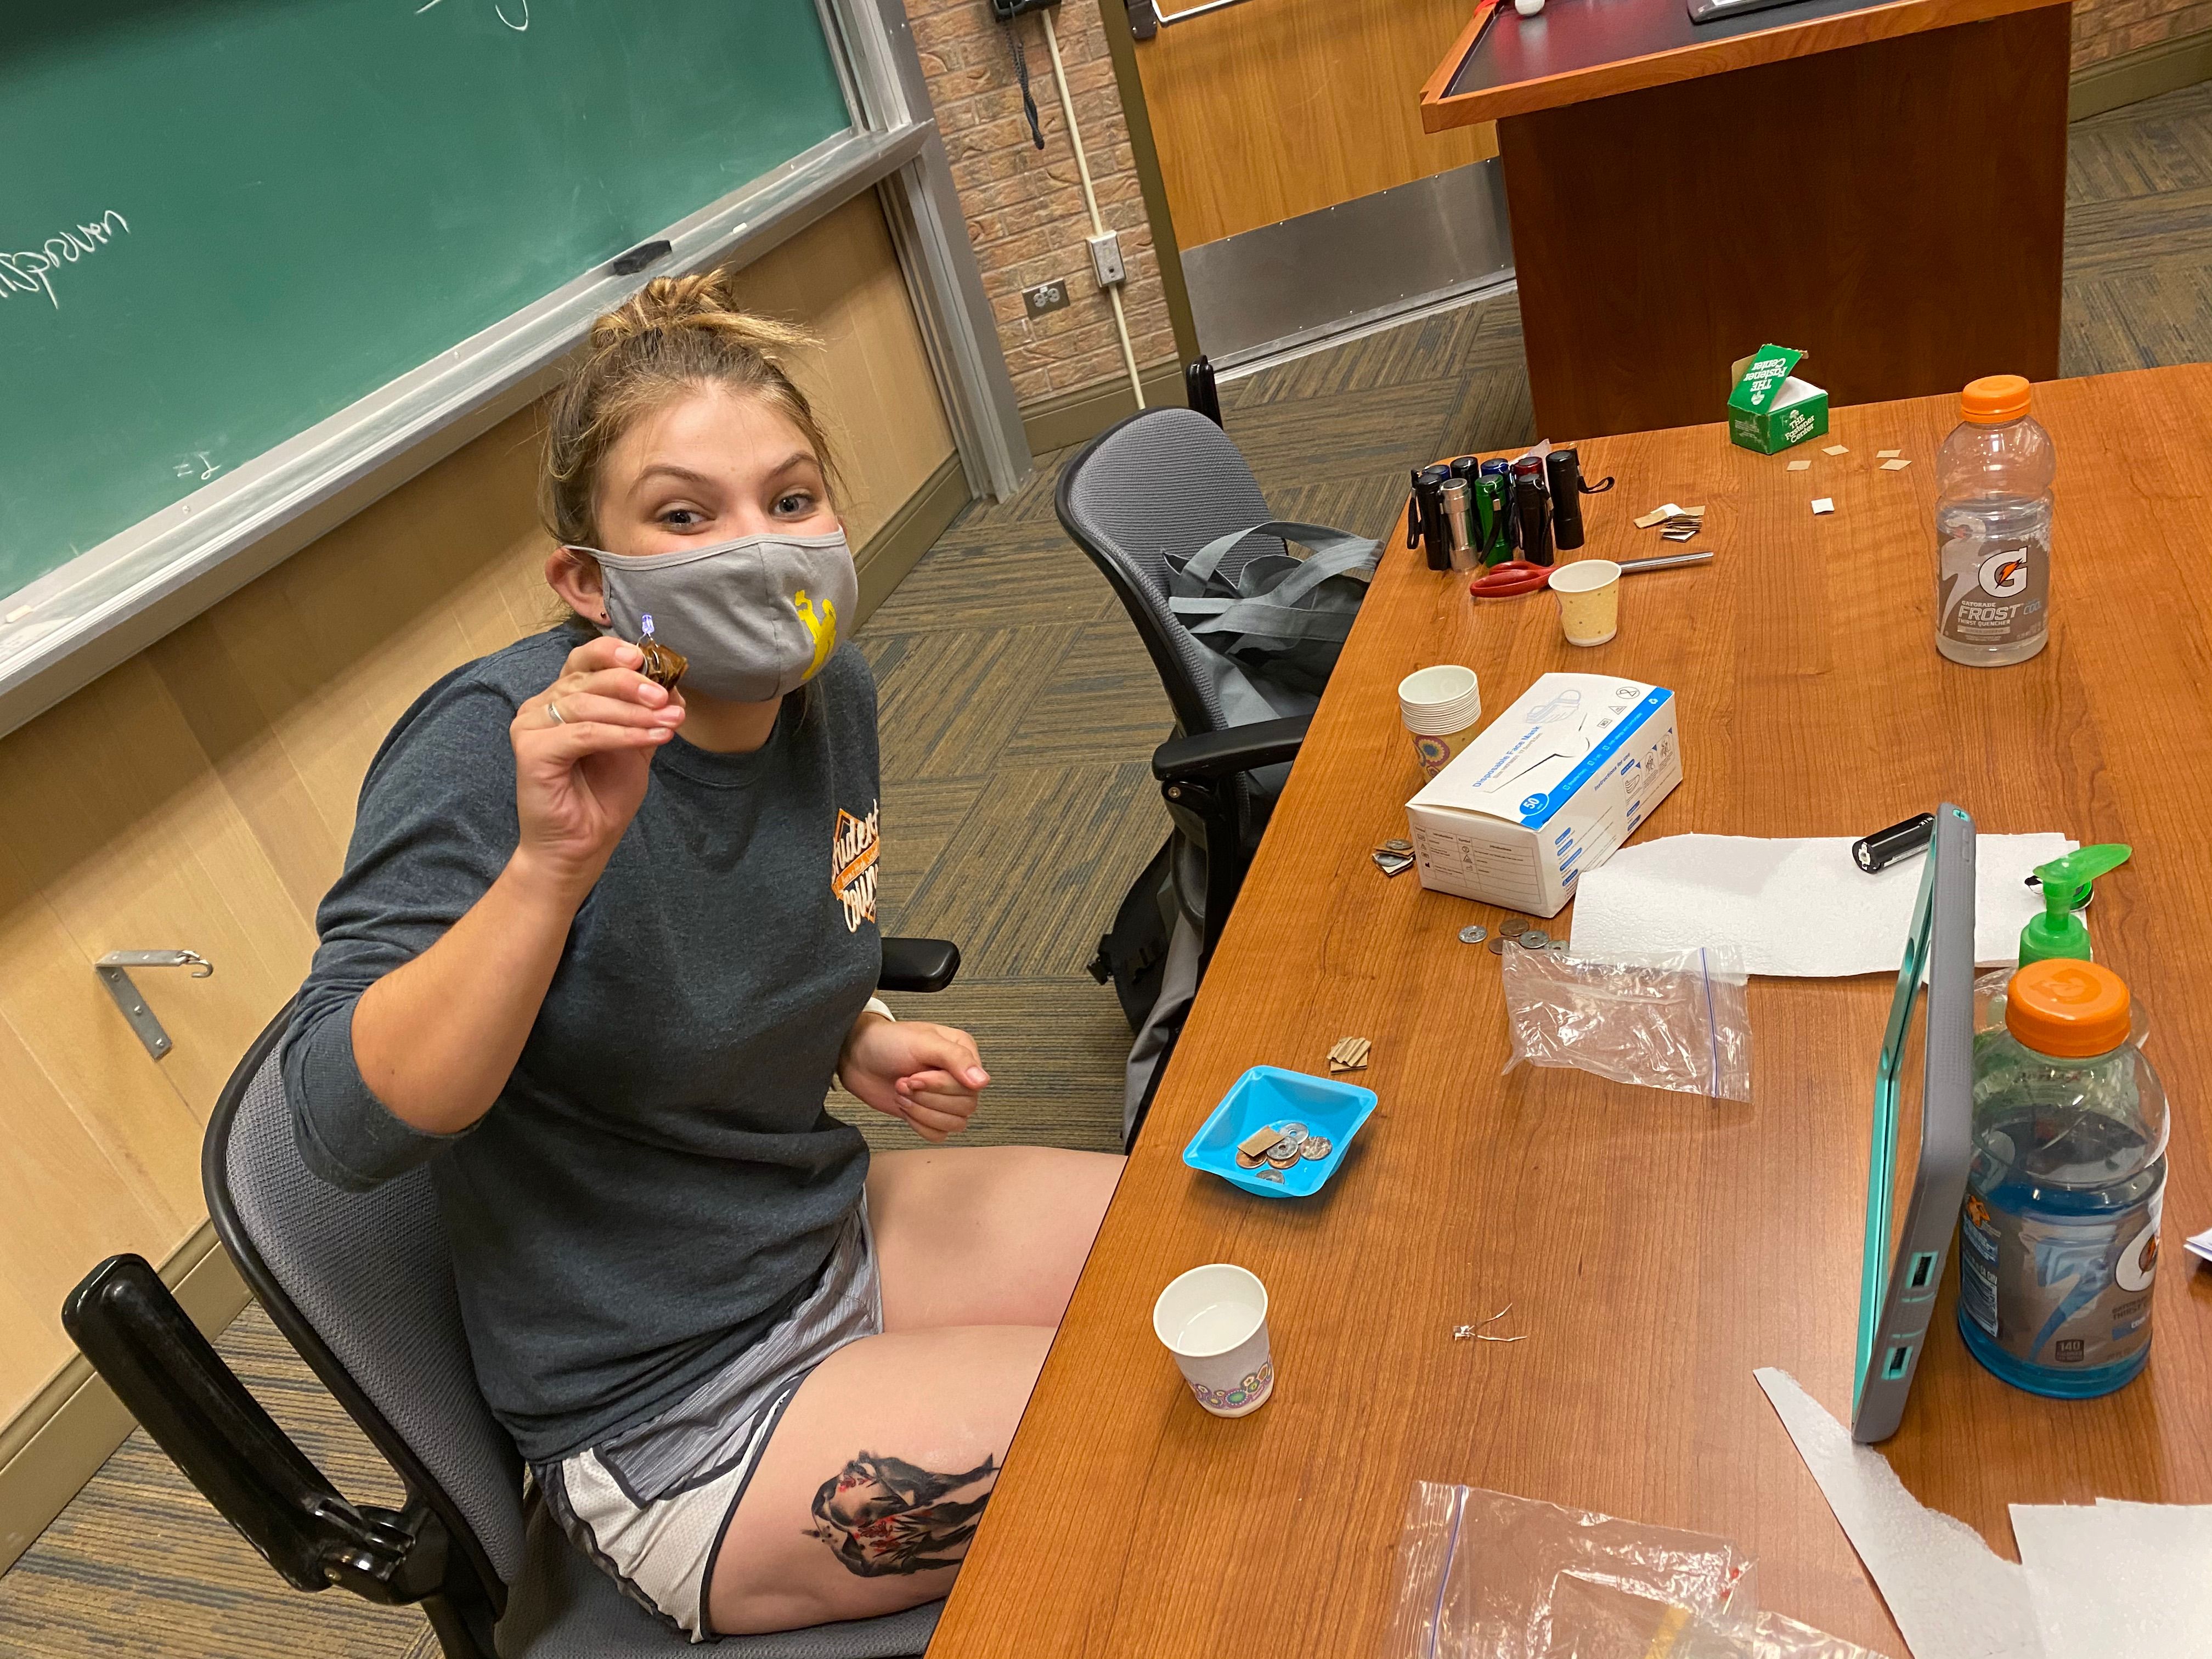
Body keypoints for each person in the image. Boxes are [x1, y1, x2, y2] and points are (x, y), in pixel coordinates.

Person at [284, 272, 1122, 1641]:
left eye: (793, 502)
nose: (763, 550)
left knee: (1202, 1254)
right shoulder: (491, 748)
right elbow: (342, 1120)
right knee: (1148, 1429)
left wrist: (851, 1037)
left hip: (813, 1231)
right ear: (588, 580)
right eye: (687, 517)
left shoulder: (825, 689)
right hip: (669, 1399)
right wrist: (550, 870)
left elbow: (737, 936)